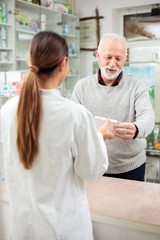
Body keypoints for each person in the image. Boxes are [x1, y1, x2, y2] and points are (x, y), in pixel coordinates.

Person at [0, 31, 114, 240]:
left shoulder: (7, 110)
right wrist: (99, 137)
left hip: (23, 231)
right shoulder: (75, 114)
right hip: (63, 230)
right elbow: (91, 170)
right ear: (63, 63)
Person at [71, 32, 155, 182]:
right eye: (108, 57)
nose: (112, 64)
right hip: (93, 165)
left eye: (118, 59)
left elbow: (148, 116)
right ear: (98, 55)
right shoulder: (81, 87)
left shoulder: (137, 86)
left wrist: (136, 129)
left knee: (131, 206)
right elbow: (73, 123)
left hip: (131, 168)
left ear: (126, 58)